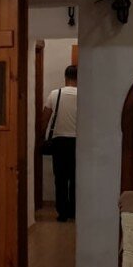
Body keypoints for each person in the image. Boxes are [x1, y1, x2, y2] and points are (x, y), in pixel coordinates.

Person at [40, 65, 78, 222]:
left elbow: (45, 119)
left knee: (60, 178)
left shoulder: (55, 94)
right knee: (76, 178)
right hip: (78, 142)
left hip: (59, 141)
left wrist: (41, 137)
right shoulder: (84, 96)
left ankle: (62, 213)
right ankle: (74, 211)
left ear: (65, 77)